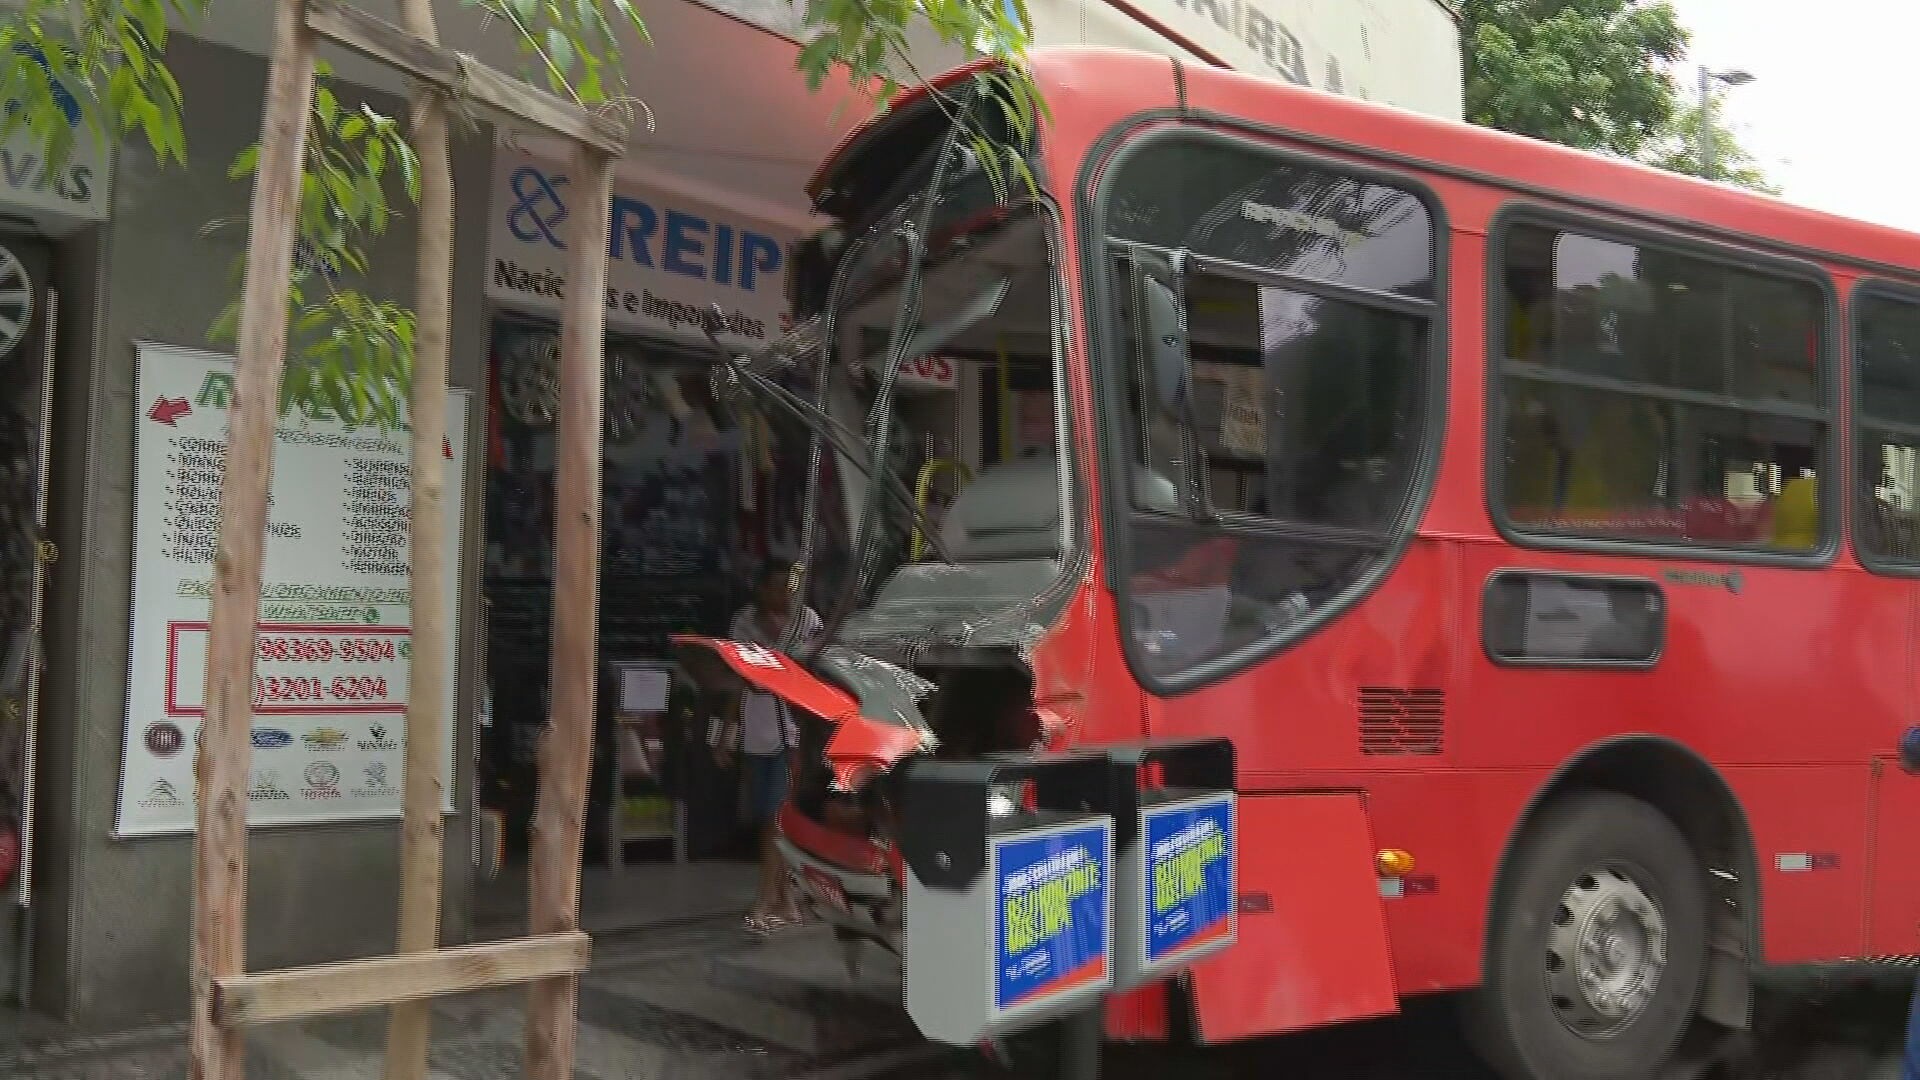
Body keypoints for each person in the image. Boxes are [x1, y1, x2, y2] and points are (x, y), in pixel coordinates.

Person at [714, 559, 822, 934]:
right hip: (756, 730)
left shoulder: (807, 621)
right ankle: (788, 900)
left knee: (776, 820)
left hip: (792, 733)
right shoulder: (744, 624)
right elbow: (736, 681)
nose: (783, 594)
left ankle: (765, 900)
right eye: (775, 586)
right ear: (760, 589)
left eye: (787, 587)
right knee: (767, 818)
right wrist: (726, 733)